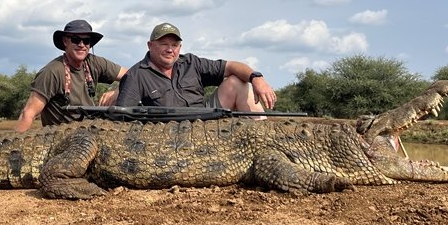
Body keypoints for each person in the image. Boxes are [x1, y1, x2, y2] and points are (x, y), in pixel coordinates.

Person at [115, 22, 276, 112]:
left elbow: (232, 66)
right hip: (167, 132)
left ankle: (261, 138)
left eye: (175, 44)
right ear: (150, 45)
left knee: (238, 81)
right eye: (164, 44)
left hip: (206, 122)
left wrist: (257, 77)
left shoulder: (192, 62)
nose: (170, 49)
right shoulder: (136, 75)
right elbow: (123, 117)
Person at [14, 19, 128, 131]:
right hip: (61, 139)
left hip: (90, 132)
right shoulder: (52, 72)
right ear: (65, 41)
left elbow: (132, 75)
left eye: (86, 40)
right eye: (76, 39)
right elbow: (28, 113)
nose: (81, 44)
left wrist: (117, 91)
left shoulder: (94, 62)